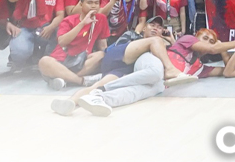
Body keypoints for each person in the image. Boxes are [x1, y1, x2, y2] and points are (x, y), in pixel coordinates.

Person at [49, 17, 206, 117]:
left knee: (98, 86)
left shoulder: (160, 45)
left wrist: (171, 40)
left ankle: (70, 102)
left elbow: (171, 51)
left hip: (124, 68)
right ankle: (171, 71)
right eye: (152, 25)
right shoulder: (134, 35)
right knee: (155, 41)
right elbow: (115, 48)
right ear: (143, 28)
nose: (155, 28)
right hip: (120, 54)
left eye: (159, 27)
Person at [38, 0, 109, 90]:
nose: (93, 6)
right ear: (81, 4)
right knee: (44, 61)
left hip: (82, 60)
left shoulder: (101, 19)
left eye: (96, 3)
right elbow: (62, 42)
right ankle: (81, 81)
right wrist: (82, 24)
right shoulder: (68, 20)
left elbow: (102, 45)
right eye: (89, 3)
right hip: (61, 60)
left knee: (102, 55)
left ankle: (65, 79)